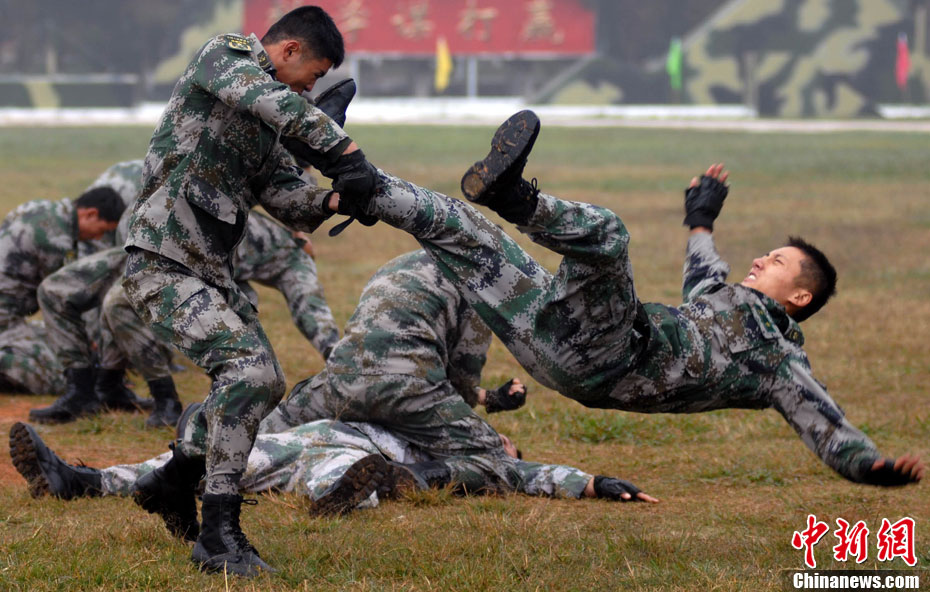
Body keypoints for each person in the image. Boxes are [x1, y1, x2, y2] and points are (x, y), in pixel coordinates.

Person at [335, 110, 924, 489]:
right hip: (557, 339)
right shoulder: (720, 299)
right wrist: (701, 217)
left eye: (777, 262)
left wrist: (869, 467)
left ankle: (517, 200)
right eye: (766, 253)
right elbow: (705, 265)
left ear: (800, 295)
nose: (761, 260)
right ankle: (355, 178)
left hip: (613, 356)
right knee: (465, 231)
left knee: (608, 236)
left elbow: (826, 424)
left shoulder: (777, 359)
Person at [121, 6, 378, 575]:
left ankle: (172, 480)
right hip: (161, 260)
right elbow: (280, 105)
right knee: (250, 374)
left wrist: (336, 198)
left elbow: (286, 197)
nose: (312, 88)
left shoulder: (266, 125)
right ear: (287, 51)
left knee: (263, 383)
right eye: (312, 74)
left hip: (209, 271)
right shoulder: (227, 56)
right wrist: (344, 152)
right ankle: (218, 534)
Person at [9, 415, 656, 522]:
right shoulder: (420, 410)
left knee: (353, 467)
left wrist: (594, 482)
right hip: (298, 441)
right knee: (205, 456)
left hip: (358, 459)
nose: (505, 445)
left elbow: (525, 475)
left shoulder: (473, 459)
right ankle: (80, 482)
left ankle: (343, 497)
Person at [0, 186, 125, 397]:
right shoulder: (56, 239)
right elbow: (63, 301)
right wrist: (91, 344)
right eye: (102, 230)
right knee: (60, 377)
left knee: (49, 342)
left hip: (10, 314)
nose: (98, 237)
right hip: (4, 319)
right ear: (90, 214)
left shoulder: (43, 209)